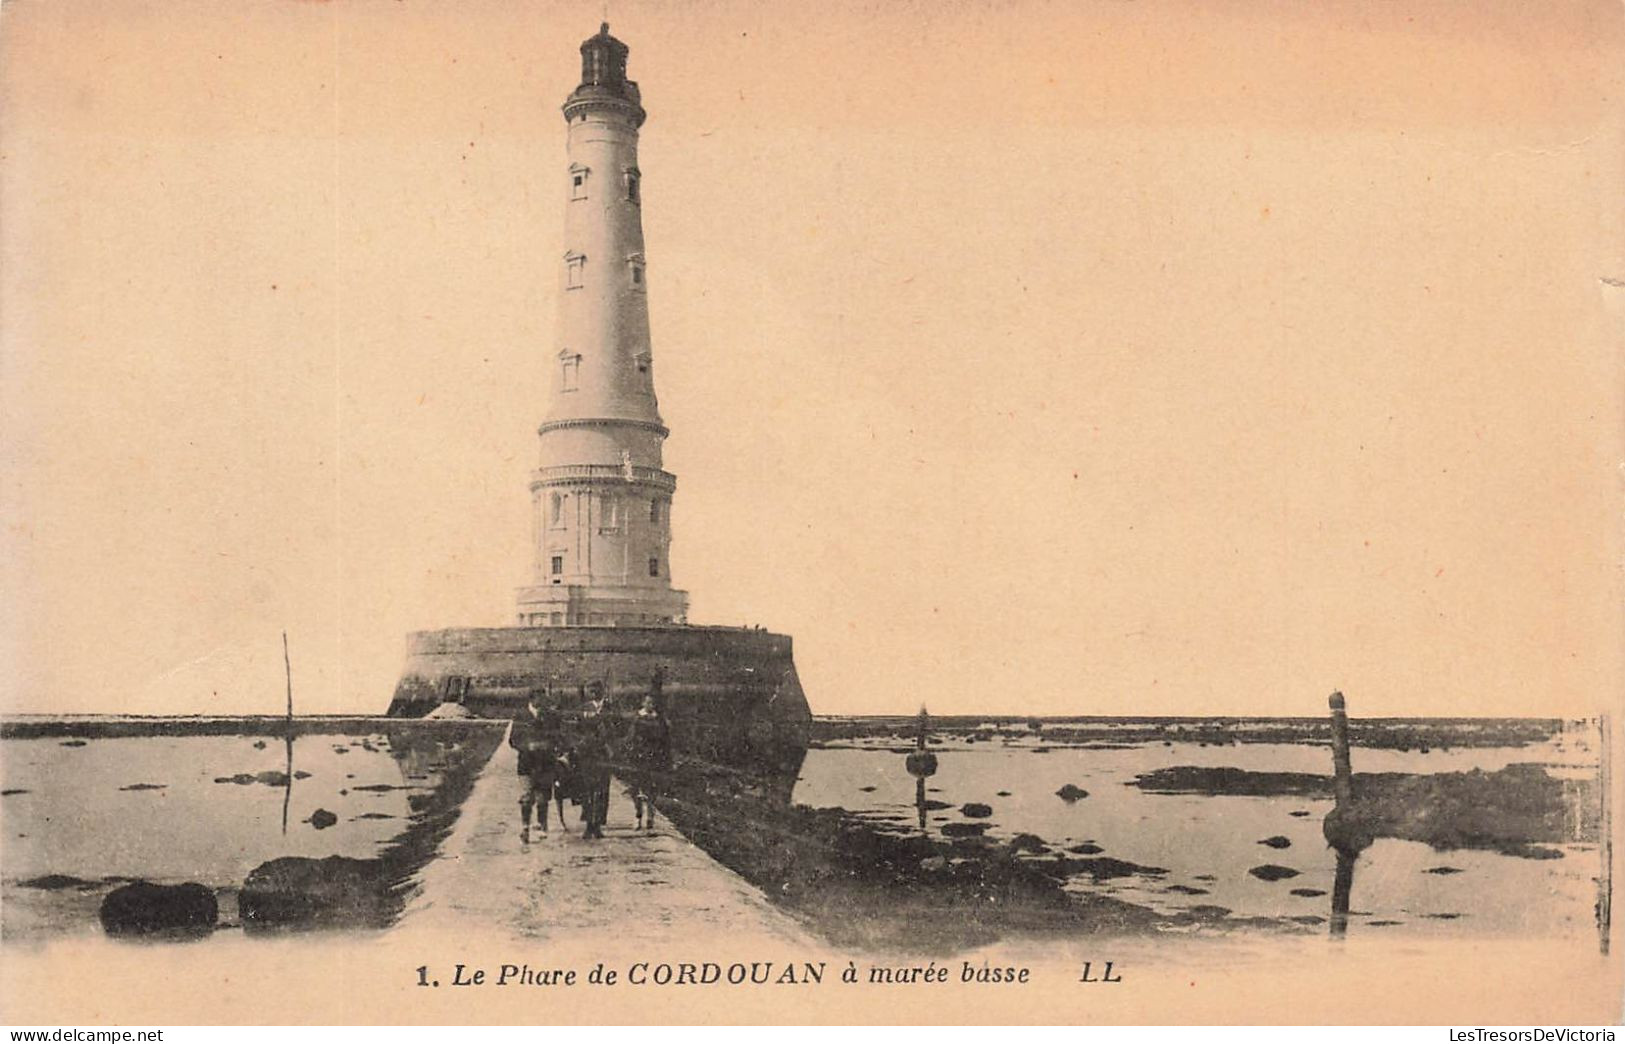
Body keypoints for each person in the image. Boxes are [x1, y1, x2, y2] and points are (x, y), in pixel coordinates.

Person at [509, 690, 563, 843]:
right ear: (532, 699)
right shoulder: (520, 716)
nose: (544, 701)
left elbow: (558, 737)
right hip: (526, 763)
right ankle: (525, 827)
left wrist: (550, 747)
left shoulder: (551, 716)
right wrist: (527, 746)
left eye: (544, 698)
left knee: (542, 798)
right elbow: (513, 740)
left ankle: (541, 826)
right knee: (526, 797)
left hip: (545, 763)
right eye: (541, 698)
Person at [625, 692, 671, 830]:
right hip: (639, 758)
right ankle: (638, 814)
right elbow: (630, 737)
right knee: (636, 788)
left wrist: (665, 757)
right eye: (647, 702)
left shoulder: (660, 720)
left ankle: (650, 816)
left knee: (652, 789)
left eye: (652, 703)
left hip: (654, 758)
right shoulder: (637, 718)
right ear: (643, 703)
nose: (650, 705)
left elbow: (665, 740)